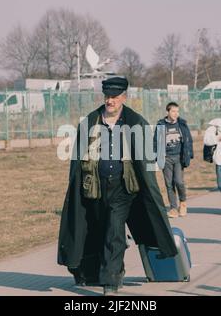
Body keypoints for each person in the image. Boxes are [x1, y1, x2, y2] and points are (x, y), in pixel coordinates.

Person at [57, 76, 177, 296]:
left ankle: (110, 282)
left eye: (114, 97)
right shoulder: (91, 121)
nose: (110, 100)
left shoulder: (135, 122)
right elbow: (77, 158)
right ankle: (105, 271)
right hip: (94, 187)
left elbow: (146, 159)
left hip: (124, 188)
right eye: (107, 96)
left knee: (114, 230)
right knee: (98, 230)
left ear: (123, 97)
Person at [153, 102, 194, 219]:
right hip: (166, 158)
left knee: (179, 182)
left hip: (179, 157)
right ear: (168, 112)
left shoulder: (182, 124)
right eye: (173, 111)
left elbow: (188, 140)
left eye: (177, 111)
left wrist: (189, 154)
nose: (175, 114)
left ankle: (183, 202)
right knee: (169, 183)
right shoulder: (161, 125)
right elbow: (155, 142)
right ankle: (173, 208)